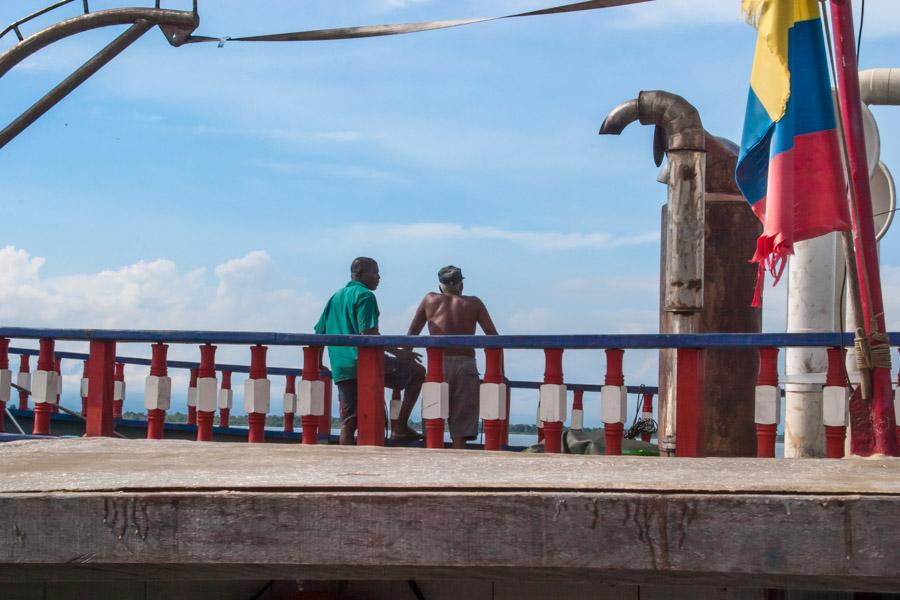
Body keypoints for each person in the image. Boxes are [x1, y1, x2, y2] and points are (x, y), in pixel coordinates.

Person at [315, 257, 425, 445]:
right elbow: (368, 333)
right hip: (365, 364)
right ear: (358, 274)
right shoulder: (365, 296)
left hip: (341, 366)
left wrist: (318, 363)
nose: (378, 277)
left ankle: (344, 462)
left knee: (349, 421)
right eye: (374, 272)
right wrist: (399, 353)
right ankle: (400, 426)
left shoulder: (335, 297)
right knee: (417, 372)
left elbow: (319, 332)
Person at [407, 265, 498, 449]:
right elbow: (492, 335)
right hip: (466, 364)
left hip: (437, 366)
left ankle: (433, 458)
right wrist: (498, 373)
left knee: (434, 421)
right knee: (462, 426)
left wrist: (406, 357)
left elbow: (412, 334)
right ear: (461, 284)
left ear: (441, 285)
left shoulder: (429, 300)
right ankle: (458, 457)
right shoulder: (474, 303)